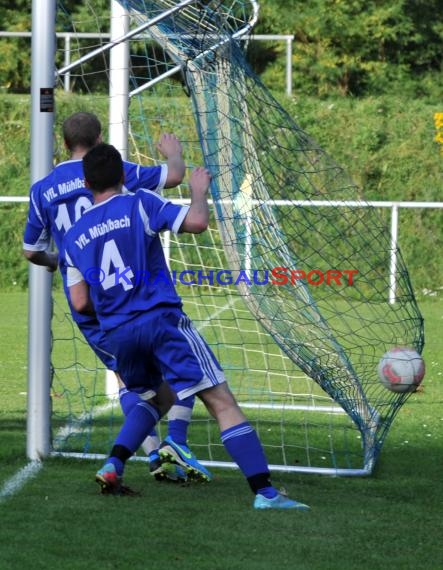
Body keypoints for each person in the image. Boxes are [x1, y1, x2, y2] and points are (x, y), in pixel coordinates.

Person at [63, 143, 310, 510]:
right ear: (123, 175)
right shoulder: (139, 203)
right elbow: (195, 222)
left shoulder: (73, 235)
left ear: (86, 182)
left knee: (153, 399)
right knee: (221, 401)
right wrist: (198, 190)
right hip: (160, 321)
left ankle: (114, 463)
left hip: (118, 334)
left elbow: (80, 301)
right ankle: (266, 494)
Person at [22, 112, 211, 483]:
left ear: (64, 143)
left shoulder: (41, 189)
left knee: (129, 380)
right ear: (99, 139)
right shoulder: (112, 168)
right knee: (175, 373)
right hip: (124, 293)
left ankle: (151, 456)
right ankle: (172, 447)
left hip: (84, 298)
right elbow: (172, 178)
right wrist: (173, 153)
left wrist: (57, 262)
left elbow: (31, 251)